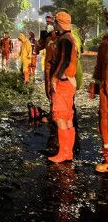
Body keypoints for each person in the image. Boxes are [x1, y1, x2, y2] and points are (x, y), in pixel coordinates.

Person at [48, 12, 78, 163]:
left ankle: (64, 153)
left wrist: (54, 79)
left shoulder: (64, 39)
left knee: (60, 116)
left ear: (58, 24)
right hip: (69, 81)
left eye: (54, 22)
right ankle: (68, 152)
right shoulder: (71, 38)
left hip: (63, 82)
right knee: (67, 117)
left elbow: (64, 61)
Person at [89, 8, 108, 172]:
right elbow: (100, 66)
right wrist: (95, 85)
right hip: (105, 90)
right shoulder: (105, 42)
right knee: (104, 125)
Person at [36, 14, 57, 114]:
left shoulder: (60, 36)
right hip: (48, 67)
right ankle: (52, 110)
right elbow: (37, 49)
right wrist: (42, 39)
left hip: (57, 67)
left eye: (50, 23)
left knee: (57, 89)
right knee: (48, 89)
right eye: (47, 23)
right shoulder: (47, 38)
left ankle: (56, 112)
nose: (49, 25)